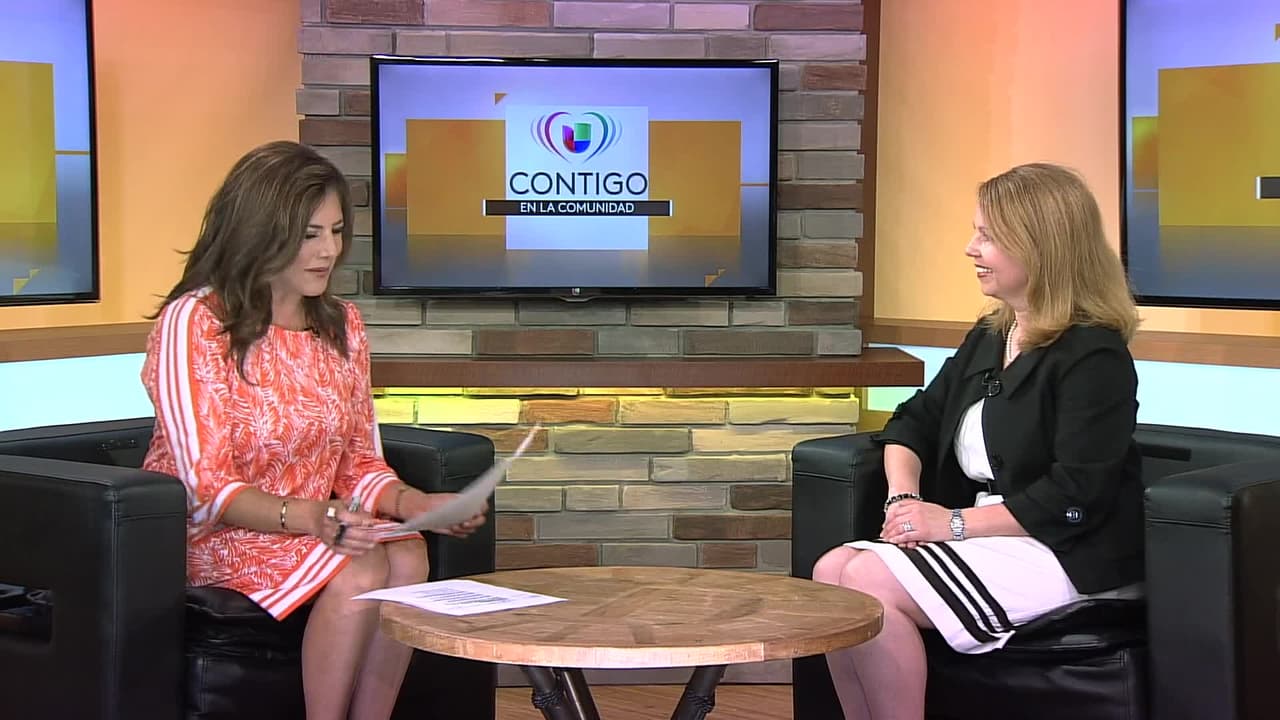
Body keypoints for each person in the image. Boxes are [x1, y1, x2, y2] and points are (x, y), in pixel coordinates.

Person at [140, 140, 487, 720]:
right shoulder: (195, 321)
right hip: (214, 532)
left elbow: (359, 463)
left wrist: (418, 504)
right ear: (259, 231)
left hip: (314, 525)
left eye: (336, 231)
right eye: (309, 234)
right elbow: (203, 485)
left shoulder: (342, 324)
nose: (329, 250)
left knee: (408, 552)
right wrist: (312, 518)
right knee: (362, 563)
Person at [811, 163, 1143, 720]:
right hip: (992, 535)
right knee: (831, 572)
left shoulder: (1093, 354)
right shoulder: (993, 334)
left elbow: (1075, 494)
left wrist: (952, 524)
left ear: (1040, 246)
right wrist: (903, 499)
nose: (971, 249)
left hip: (1067, 551)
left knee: (868, 579)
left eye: (987, 236)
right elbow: (912, 422)